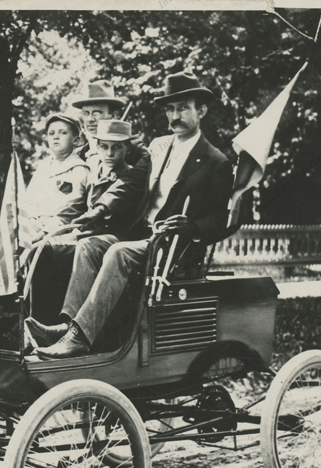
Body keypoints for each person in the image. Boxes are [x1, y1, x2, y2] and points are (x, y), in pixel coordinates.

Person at [28, 71, 234, 359]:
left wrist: (193, 227)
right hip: (140, 235)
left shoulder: (216, 161)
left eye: (183, 107)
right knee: (89, 245)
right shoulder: (158, 147)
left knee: (118, 253)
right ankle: (66, 324)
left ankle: (81, 337)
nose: (175, 115)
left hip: (173, 247)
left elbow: (224, 219)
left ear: (201, 111)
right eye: (170, 109)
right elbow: (130, 184)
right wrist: (99, 210)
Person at [26, 119, 147, 325]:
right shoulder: (95, 173)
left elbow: (116, 205)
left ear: (127, 148)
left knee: (51, 250)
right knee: (41, 250)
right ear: (97, 147)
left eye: (116, 147)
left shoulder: (130, 177)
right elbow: (75, 207)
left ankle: (64, 323)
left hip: (112, 239)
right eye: (104, 147)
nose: (109, 154)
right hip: (85, 234)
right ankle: (36, 322)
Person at [23, 113, 89, 243]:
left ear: (76, 140)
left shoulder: (78, 169)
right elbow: (29, 199)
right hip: (35, 226)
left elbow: (74, 207)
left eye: (63, 133)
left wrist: (47, 230)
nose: (56, 137)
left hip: (61, 230)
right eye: (51, 133)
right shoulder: (43, 167)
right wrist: (31, 219)